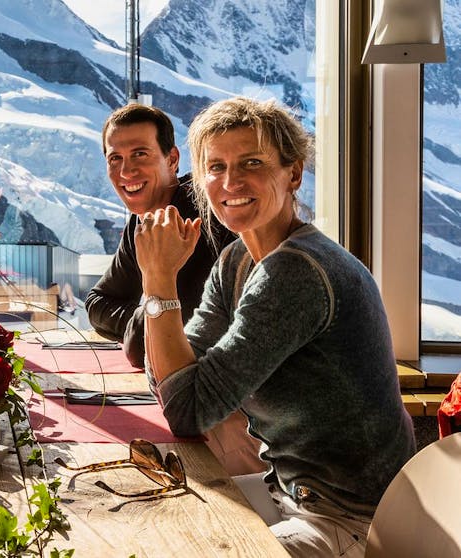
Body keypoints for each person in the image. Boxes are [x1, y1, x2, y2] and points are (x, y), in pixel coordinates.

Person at [136, 96, 415, 556]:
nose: (231, 181)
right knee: (154, 527)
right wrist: (158, 291)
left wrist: (158, 279)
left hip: (351, 520)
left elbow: (188, 406)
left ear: (294, 174)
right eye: (216, 166)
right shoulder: (238, 260)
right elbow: (170, 384)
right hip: (288, 495)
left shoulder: (297, 271)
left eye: (252, 163)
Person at [85, 103, 234, 368]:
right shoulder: (143, 221)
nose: (126, 171)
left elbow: (142, 348)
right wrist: (149, 315)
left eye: (140, 154)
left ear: (172, 160)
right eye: (114, 158)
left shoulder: (203, 214)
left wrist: (149, 321)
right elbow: (98, 304)